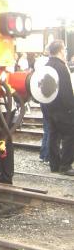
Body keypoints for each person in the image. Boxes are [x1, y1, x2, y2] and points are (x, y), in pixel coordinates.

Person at [45, 40, 74, 175]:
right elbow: (66, 90)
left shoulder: (47, 65)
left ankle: (54, 165)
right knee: (70, 135)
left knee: (53, 135)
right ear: (61, 50)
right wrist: (71, 107)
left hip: (50, 107)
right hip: (63, 108)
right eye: (65, 49)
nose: (65, 52)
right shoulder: (61, 67)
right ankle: (66, 165)